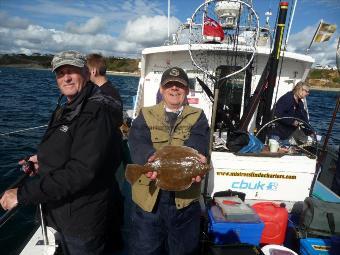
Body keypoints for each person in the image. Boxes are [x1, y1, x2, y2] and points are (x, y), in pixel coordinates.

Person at [0, 50, 123, 255]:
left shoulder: (95, 112)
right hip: (62, 210)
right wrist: (43, 160)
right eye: (60, 73)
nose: (66, 77)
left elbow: (81, 171)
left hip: (82, 220)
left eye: (72, 71)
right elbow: (72, 145)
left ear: (85, 72)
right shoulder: (70, 105)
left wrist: (22, 194)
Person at [128, 67, 210, 255]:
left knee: (182, 250)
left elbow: (198, 138)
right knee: (145, 249)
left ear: (187, 90)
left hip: (184, 200)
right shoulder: (145, 114)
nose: (174, 89)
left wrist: (196, 156)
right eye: (169, 85)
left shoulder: (198, 116)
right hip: (150, 198)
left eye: (180, 85)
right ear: (162, 89)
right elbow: (137, 140)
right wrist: (149, 158)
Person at [86, 52, 125, 251]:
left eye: (85, 71)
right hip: (112, 153)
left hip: (106, 156)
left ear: (92, 70)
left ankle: (112, 239)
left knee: (108, 196)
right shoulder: (111, 91)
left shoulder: (104, 95)